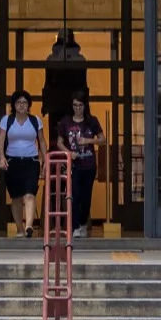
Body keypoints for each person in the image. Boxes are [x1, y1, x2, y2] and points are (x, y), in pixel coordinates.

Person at [0, 90, 44, 236]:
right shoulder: (7, 120)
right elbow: (0, 140)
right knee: (16, 196)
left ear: (28, 105)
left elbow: (41, 141)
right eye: (18, 102)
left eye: (24, 102)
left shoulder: (35, 120)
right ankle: (20, 229)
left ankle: (29, 226)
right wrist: (1, 157)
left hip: (31, 161)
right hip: (12, 162)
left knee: (30, 194)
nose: (21, 105)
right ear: (14, 105)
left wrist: (45, 159)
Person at [60, 94, 104, 237]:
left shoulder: (92, 121)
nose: (78, 108)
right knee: (74, 196)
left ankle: (83, 223)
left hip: (89, 164)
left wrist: (88, 141)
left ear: (85, 106)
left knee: (86, 198)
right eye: (75, 105)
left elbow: (102, 139)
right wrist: (68, 153)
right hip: (74, 165)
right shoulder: (65, 122)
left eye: (80, 105)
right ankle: (75, 227)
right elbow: (60, 142)